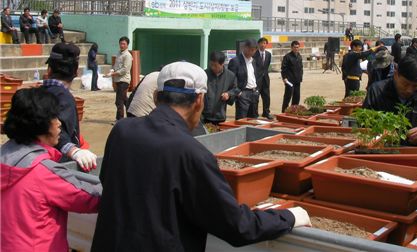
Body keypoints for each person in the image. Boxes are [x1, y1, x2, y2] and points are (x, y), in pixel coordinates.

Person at [91, 62, 310, 251]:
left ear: (157, 97)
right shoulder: (192, 153)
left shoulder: (122, 131)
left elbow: (108, 182)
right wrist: (289, 217)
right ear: (199, 101)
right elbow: (236, 226)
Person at [1, 88, 101, 251]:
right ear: (40, 125)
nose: (60, 123)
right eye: (54, 117)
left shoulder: (4, 157)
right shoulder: (44, 173)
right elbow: (90, 198)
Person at [42, 42, 98, 170]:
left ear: (49, 70)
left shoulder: (39, 92)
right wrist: (73, 150)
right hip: (56, 166)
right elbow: (55, 129)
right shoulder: (64, 97)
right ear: (76, 72)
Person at [364, 54, 417, 138]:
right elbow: (364, 121)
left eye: (415, 86)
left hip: (415, 149)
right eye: (405, 84)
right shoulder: (377, 91)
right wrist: (381, 132)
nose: (409, 90)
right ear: (395, 74)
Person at [203, 51, 239, 124]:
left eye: (215, 65)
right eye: (211, 64)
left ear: (222, 64)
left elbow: (235, 89)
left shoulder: (230, 76)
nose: (212, 67)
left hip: (220, 115)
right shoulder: (204, 74)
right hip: (204, 116)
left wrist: (228, 94)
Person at [228, 39, 260, 119]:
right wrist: (238, 92)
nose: (251, 52)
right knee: (242, 119)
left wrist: (257, 90)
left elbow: (255, 76)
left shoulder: (254, 61)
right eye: (250, 50)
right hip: (243, 94)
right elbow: (231, 79)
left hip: (254, 93)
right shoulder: (235, 61)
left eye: (254, 50)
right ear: (244, 47)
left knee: (253, 120)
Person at [105, 36, 133, 122]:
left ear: (127, 45)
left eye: (124, 44)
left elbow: (125, 69)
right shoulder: (118, 53)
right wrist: (111, 71)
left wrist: (113, 73)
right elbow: (115, 66)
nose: (122, 45)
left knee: (119, 101)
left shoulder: (127, 55)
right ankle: (132, 114)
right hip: (118, 80)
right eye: (121, 43)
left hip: (123, 80)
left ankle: (119, 119)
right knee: (124, 99)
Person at [281, 41, 304, 111]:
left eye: (297, 47)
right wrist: (284, 78)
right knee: (287, 97)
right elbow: (283, 68)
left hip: (297, 80)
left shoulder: (299, 56)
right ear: (291, 47)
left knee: (297, 97)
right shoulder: (287, 57)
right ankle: (284, 111)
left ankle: (293, 111)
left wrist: (301, 77)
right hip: (289, 81)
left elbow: (301, 68)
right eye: (295, 47)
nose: (296, 49)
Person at [254, 37, 273, 119]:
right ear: (258, 44)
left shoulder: (268, 54)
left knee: (266, 97)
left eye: (264, 43)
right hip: (256, 80)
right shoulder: (254, 54)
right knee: (255, 97)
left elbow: (266, 67)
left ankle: (266, 112)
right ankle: (255, 113)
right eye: (261, 43)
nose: (263, 45)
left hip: (265, 79)